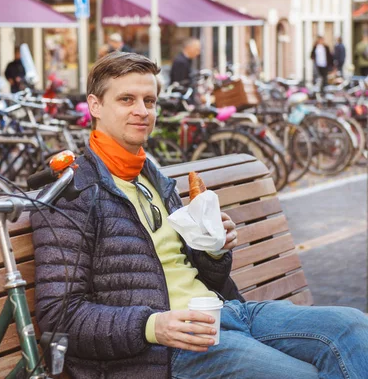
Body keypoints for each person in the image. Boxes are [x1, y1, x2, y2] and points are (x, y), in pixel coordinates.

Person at [30, 51, 368, 379]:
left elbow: (192, 272)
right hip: (164, 351)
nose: (142, 111)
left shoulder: (152, 177)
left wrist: (213, 248)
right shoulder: (72, 193)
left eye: (150, 101)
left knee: (353, 327)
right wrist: (153, 326)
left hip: (228, 313)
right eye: (127, 100)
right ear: (95, 106)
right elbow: (60, 317)